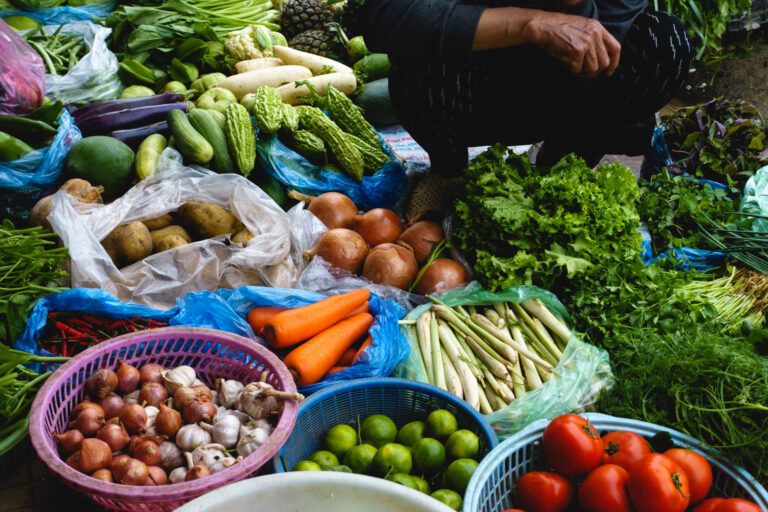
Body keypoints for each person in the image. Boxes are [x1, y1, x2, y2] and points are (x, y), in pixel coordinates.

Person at [350, 0, 693, 217]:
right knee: (419, 54)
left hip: (559, 92)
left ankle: (562, 166)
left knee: (666, 42)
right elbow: (382, 18)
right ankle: (447, 172)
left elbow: (600, 50)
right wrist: (531, 23)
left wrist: (573, 7)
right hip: (464, 87)